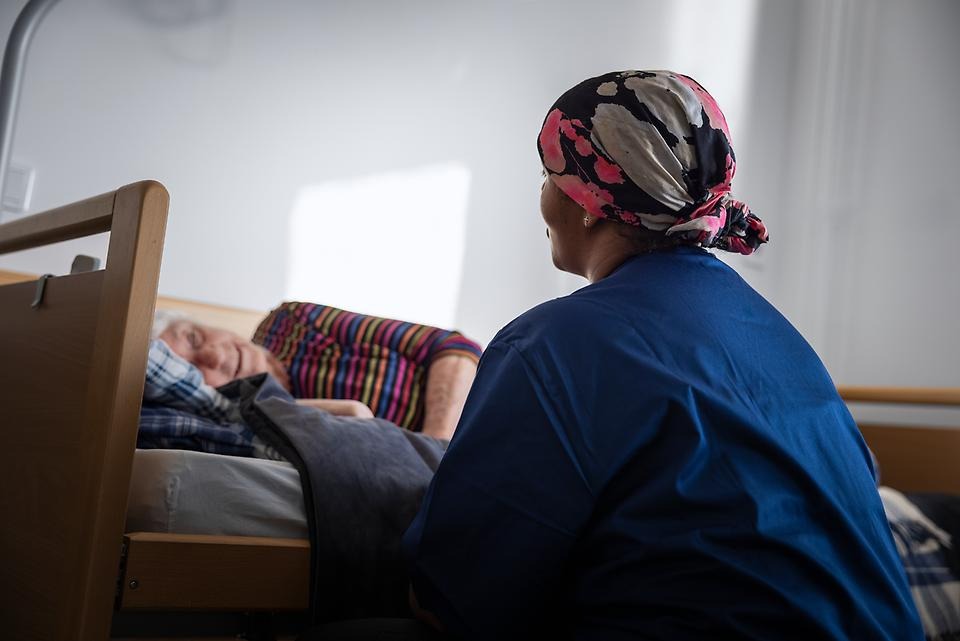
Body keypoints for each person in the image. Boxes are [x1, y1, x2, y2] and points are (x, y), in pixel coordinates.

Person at [395, 71, 924, 640]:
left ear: (588, 200)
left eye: (547, 176)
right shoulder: (780, 338)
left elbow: (451, 596)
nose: (542, 197)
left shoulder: (552, 345)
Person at [154, 303, 481, 440]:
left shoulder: (291, 323)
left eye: (194, 337)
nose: (214, 355)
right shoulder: (265, 422)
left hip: (484, 402)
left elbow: (453, 347)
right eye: (193, 370)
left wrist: (438, 446)